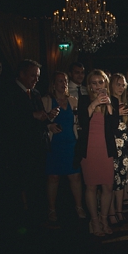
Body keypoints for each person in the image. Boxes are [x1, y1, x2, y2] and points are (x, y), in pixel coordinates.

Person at [75, 69, 119, 236]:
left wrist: (108, 104)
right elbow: (82, 121)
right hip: (89, 149)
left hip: (106, 148)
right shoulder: (84, 100)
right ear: (89, 86)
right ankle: (94, 221)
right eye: (94, 83)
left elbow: (114, 126)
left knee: (108, 186)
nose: (98, 86)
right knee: (91, 186)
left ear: (105, 83)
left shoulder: (112, 100)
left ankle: (104, 219)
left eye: (101, 82)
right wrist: (94, 104)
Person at [42, 71, 83, 222]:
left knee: (75, 176)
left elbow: (79, 121)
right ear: (53, 84)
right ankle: (52, 209)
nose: (63, 83)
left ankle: (79, 207)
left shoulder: (73, 100)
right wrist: (49, 124)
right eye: (60, 81)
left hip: (71, 142)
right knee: (53, 177)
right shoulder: (46, 100)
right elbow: (40, 122)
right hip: (55, 144)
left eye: (65, 80)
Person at [109, 73, 128, 224]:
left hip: (125, 142)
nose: (121, 87)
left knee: (122, 178)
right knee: (110, 178)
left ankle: (119, 210)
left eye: (123, 84)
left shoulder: (125, 101)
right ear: (111, 84)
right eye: (118, 84)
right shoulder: (107, 102)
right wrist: (116, 113)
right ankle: (110, 212)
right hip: (111, 142)